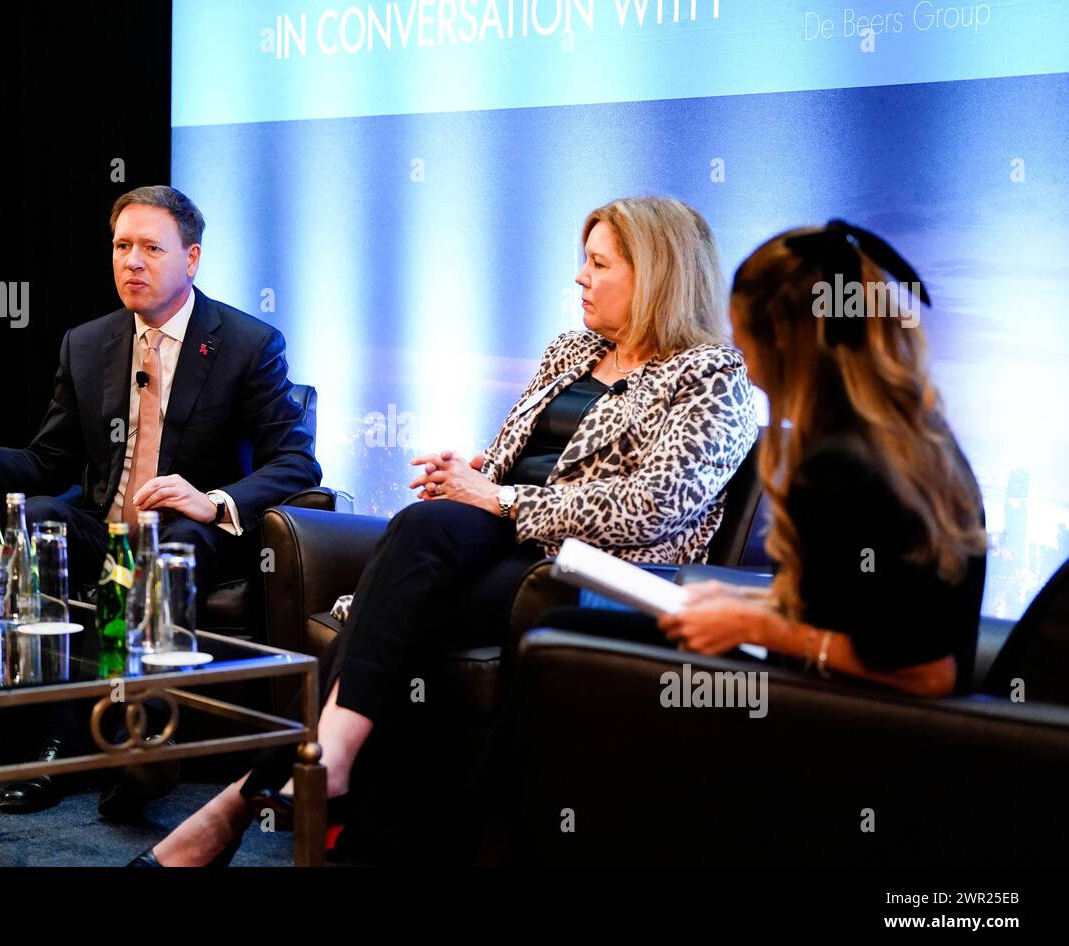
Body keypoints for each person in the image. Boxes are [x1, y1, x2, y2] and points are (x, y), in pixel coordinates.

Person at [133, 195, 759, 866]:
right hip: (504, 538)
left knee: (410, 602)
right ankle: (329, 775)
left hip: (592, 569)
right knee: (426, 530)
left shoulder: (710, 376)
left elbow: (656, 503)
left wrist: (501, 497)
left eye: (599, 264)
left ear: (657, 275)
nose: (579, 277)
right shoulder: (572, 351)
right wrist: (474, 470)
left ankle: (248, 801)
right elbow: (521, 453)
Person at [0, 185, 322, 814]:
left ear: (191, 259)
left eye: (150, 248)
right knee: (39, 519)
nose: (132, 261)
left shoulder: (247, 344)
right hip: (104, 527)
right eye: (121, 246)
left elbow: (297, 462)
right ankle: (31, 733)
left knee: (164, 544)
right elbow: (47, 464)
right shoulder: (88, 344)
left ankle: (138, 745)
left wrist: (211, 500)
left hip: (195, 535)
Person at [546, 219, 989, 698]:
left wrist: (755, 626)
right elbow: (849, 608)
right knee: (566, 629)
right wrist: (747, 600)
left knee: (559, 646)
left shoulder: (842, 466)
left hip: (845, 719)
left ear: (781, 342)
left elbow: (928, 673)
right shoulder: (909, 437)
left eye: (743, 333)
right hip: (819, 689)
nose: (739, 353)